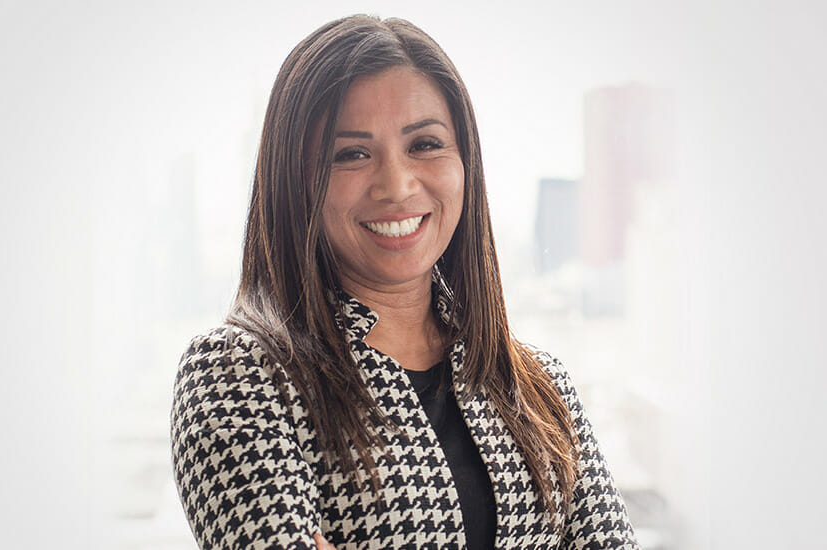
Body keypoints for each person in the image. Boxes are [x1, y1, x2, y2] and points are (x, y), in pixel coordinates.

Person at [171, 14, 640, 550]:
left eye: (425, 145)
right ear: (294, 180)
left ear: (466, 163)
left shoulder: (538, 387)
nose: (396, 185)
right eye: (351, 154)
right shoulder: (238, 376)